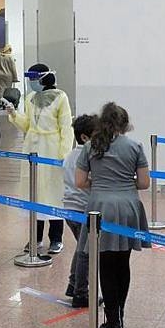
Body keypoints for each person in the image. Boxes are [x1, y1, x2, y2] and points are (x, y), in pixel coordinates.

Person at [75, 103, 150, 328]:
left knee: (105, 264)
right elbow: (144, 183)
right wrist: (124, 184)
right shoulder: (135, 146)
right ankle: (121, 313)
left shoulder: (90, 147)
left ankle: (112, 322)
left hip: (100, 206)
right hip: (128, 206)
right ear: (125, 123)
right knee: (122, 263)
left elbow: (79, 181)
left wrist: (100, 184)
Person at [5, 63, 73, 254]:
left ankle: (56, 238)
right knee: (34, 193)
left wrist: (64, 155)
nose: (31, 83)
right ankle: (35, 238)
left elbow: (66, 128)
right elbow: (27, 125)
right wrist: (13, 113)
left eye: (34, 79)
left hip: (52, 150)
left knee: (53, 194)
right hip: (32, 149)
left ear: (43, 78)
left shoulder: (61, 97)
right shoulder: (31, 98)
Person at [63, 114, 98, 308]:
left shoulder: (70, 156)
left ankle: (73, 283)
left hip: (69, 209)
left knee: (81, 248)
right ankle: (81, 293)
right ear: (85, 137)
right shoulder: (87, 157)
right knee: (87, 253)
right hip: (82, 211)